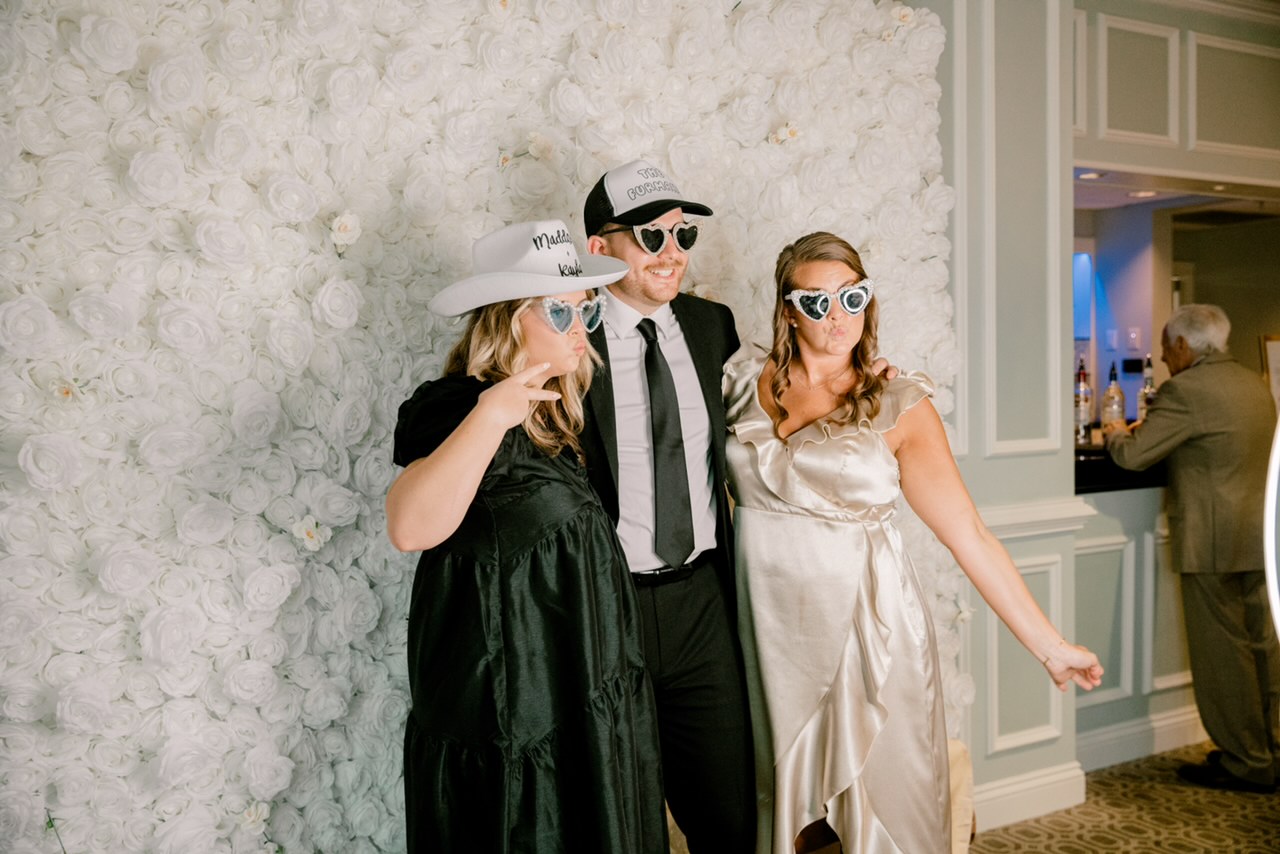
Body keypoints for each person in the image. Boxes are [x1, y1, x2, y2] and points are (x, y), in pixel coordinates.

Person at [723, 231, 1103, 853]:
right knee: (785, 810)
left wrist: (1051, 646)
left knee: (884, 812)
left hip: (871, 628)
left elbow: (970, 535)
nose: (837, 316)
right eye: (816, 302)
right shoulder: (740, 382)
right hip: (769, 635)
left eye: (852, 297)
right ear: (788, 309)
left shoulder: (898, 404)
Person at [386, 219, 667, 852]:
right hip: (510, 705)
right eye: (559, 313)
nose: (579, 330)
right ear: (510, 321)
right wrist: (491, 416)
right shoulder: (460, 405)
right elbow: (408, 527)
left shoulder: (560, 413)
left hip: (578, 686)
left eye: (583, 311)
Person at [579, 159, 756, 852]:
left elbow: (777, 409)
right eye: (651, 239)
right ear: (600, 248)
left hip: (703, 601)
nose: (673, 255)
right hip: (607, 606)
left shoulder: (714, 326)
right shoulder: (568, 335)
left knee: (730, 818)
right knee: (621, 820)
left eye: (683, 236)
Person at [1104, 303, 1280, 795]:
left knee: (1223, 655)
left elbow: (1135, 456)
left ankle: (1246, 761)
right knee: (1264, 648)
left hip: (1211, 540)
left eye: (1164, 347)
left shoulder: (1185, 391)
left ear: (1184, 346)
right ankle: (1270, 749)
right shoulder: (1253, 383)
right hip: (1258, 535)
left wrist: (1117, 431)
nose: (1161, 357)